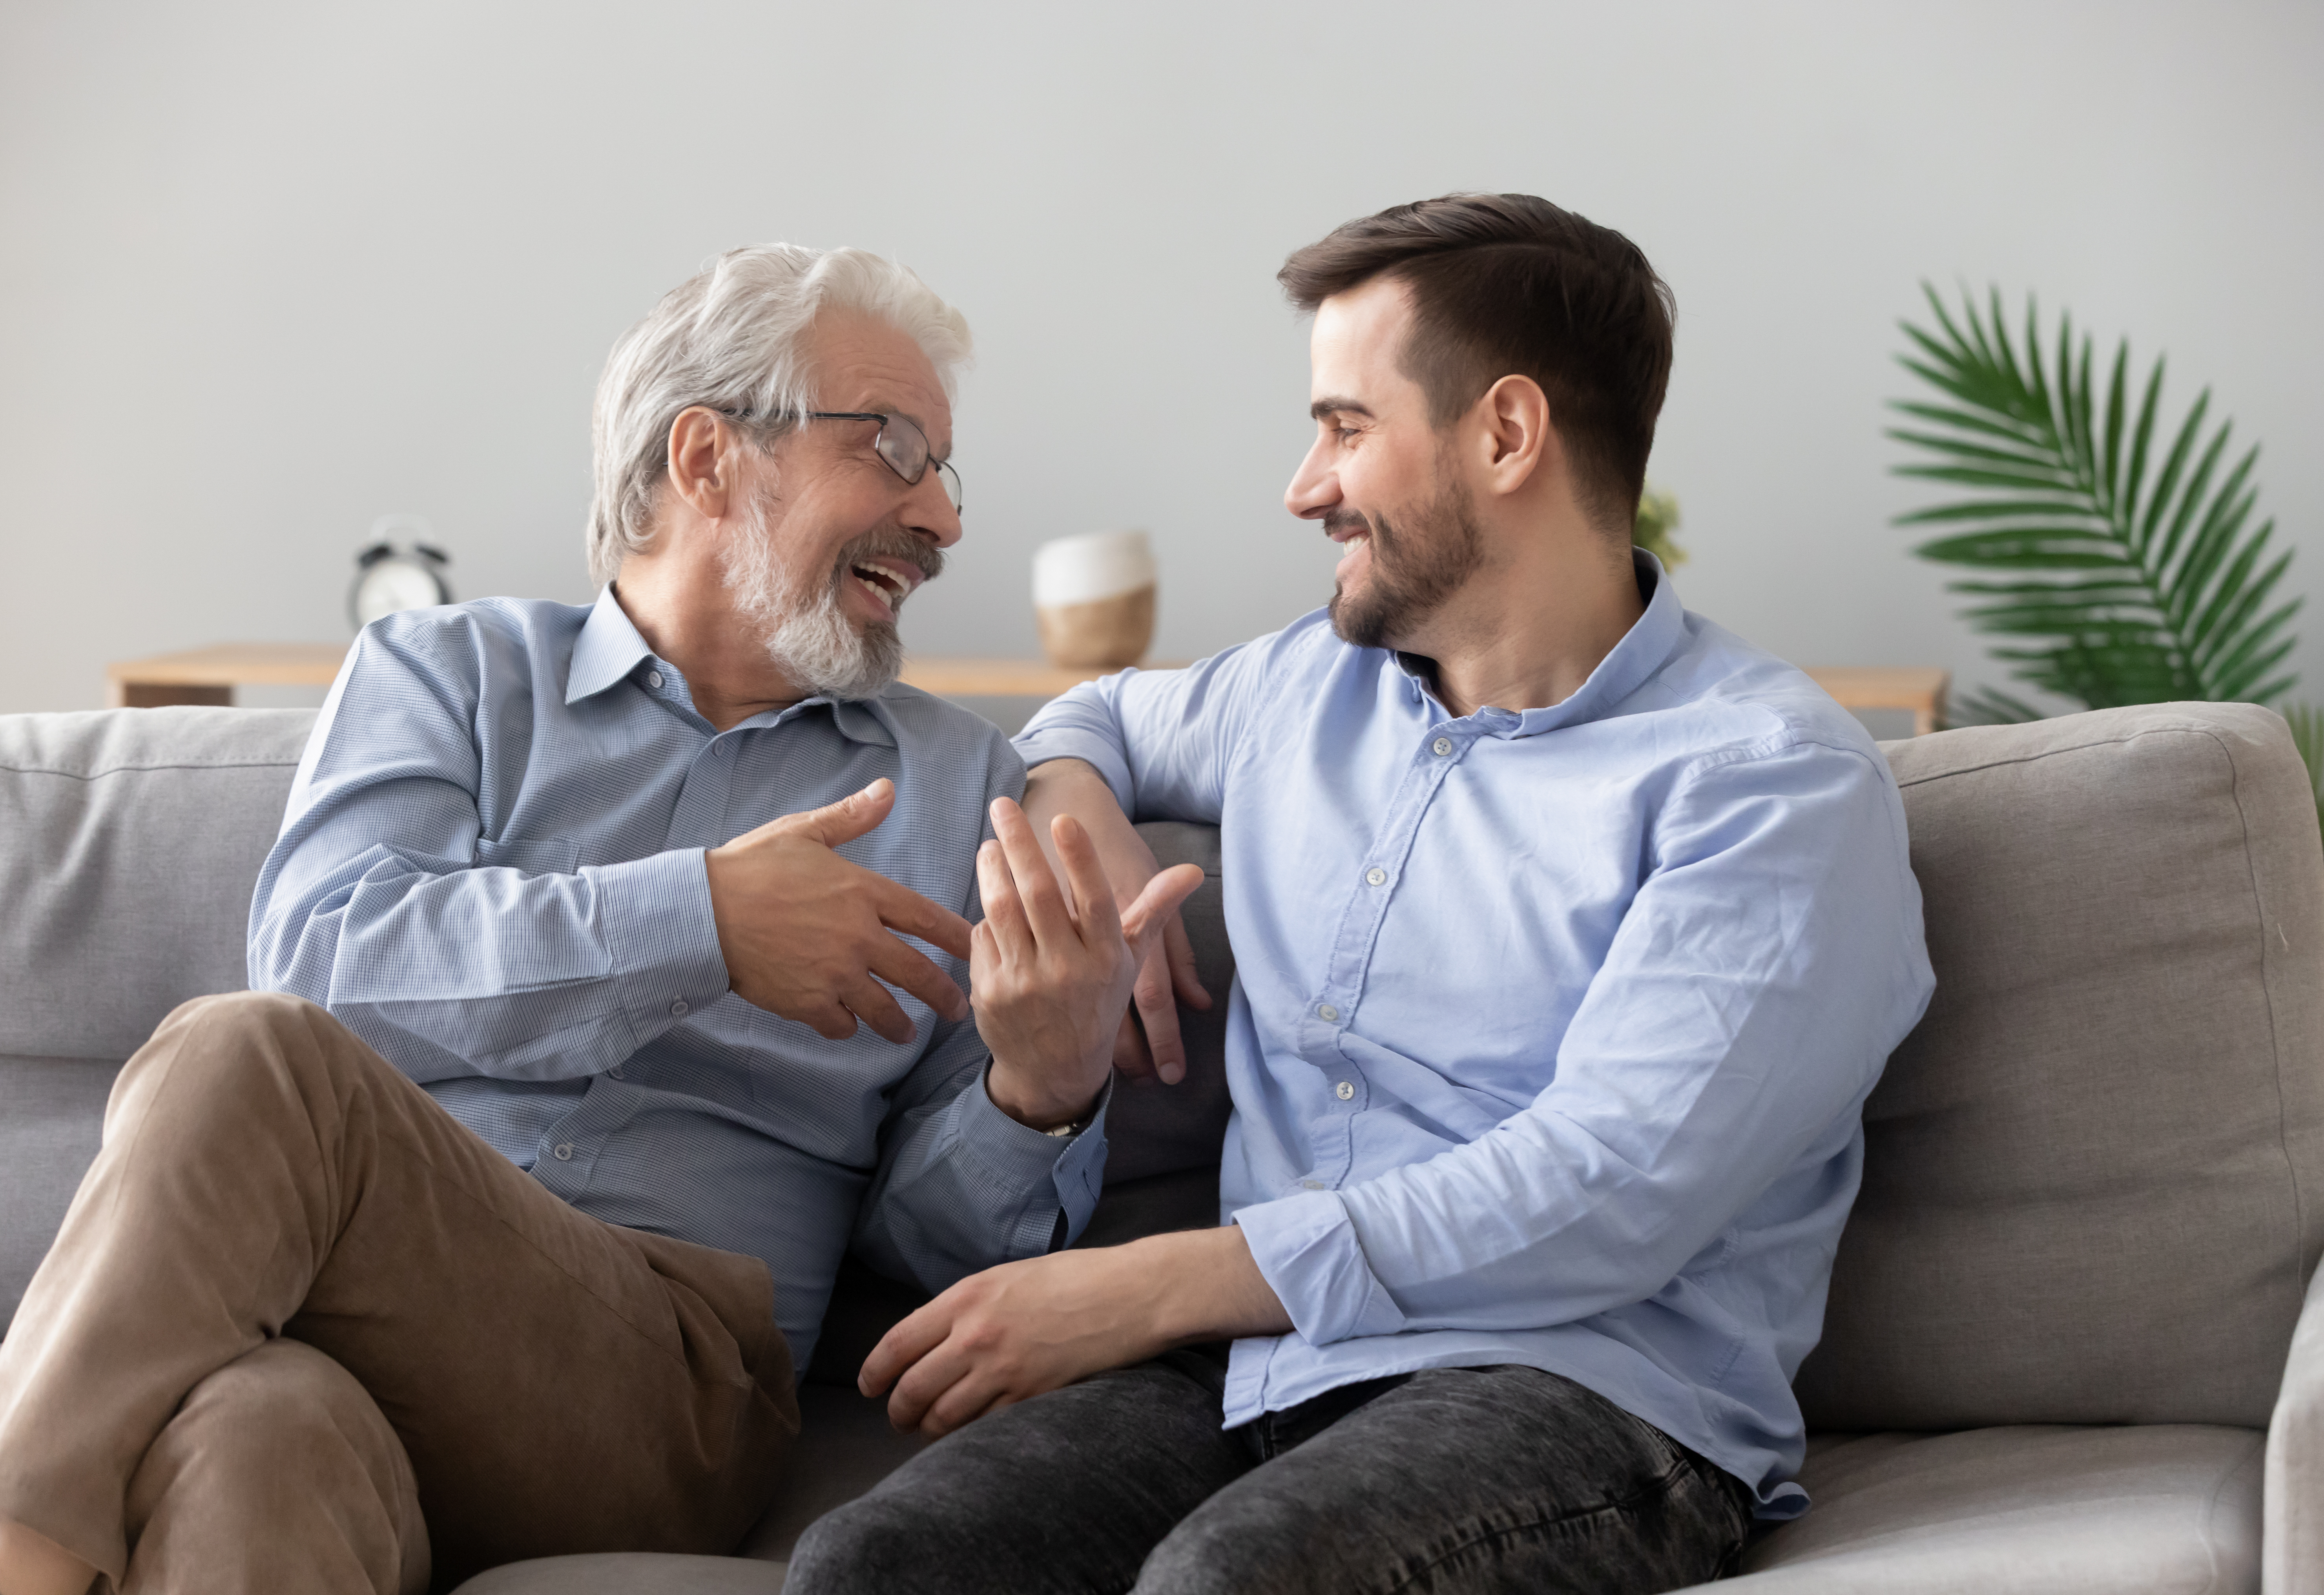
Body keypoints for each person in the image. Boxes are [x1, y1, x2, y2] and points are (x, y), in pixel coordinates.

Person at [0, 244, 1194, 1595]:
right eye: (894, 449)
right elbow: (323, 956)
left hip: (668, 1389)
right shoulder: (447, 675)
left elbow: (928, 1267)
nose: (941, 517)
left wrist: (1038, 1091)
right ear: (707, 458)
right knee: (257, 1427)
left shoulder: (963, 788)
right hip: (348, 1341)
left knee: (249, 1054)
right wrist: (700, 919)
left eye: (946, 472)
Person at [784, 194, 1937, 1595]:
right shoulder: (1298, 690)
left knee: (1237, 1582)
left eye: (1343, 427)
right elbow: (1084, 720)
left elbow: (1608, 1190)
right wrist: (1092, 829)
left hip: (1581, 1389)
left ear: (1505, 435)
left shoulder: (1770, 782)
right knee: (877, 1563)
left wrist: (1151, 1283)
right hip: (1259, 1375)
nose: (1301, 485)